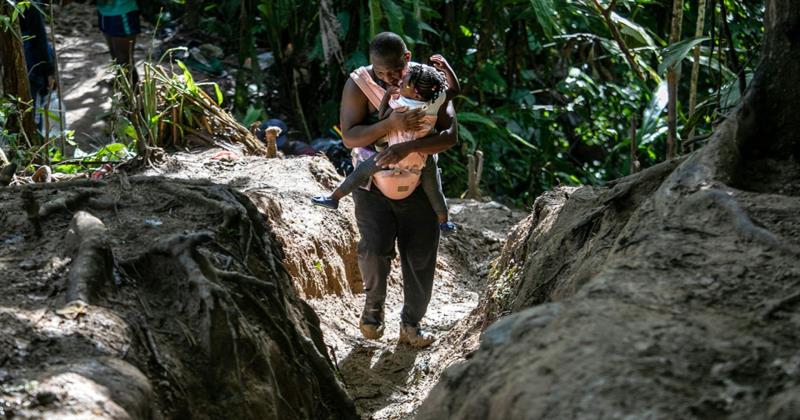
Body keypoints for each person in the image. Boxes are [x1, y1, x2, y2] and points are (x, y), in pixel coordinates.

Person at [339, 32, 458, 348]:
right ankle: (373, 309)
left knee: (420, 256)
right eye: (381, 72)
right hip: (372, 184)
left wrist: (411, 147)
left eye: (394, 71)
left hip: (418, 181)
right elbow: (350, 137)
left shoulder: (427, 81)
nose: (389, 78)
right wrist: (389, 126)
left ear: (407, 58)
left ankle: (411, 324)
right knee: (374, 249)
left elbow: (449, 136)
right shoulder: (359, 83)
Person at [311, 62, 459, 235]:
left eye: (404, 84)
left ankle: (333, 198)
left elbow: (382, 117)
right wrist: (448, 68)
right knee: (434, 189)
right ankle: (445, 223)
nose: (399, 84)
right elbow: (455, 90)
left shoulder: (401, 105)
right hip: (421, 157)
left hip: (392, 155)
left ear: (415, 92)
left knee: (361, 172)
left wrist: (387, 96)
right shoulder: (435, 101)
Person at [20, 2, 56, 133]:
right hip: (33, 67)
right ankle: (35, 148)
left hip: (26, 65)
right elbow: (39, 37)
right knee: (33, 115)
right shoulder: (30, 5)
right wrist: (49, 71)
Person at [96, 0, 140, 87]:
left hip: (122, 11)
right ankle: (122, 82)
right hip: (105, 12)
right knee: (115, 54)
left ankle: (131, 90)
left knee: (123, 57)